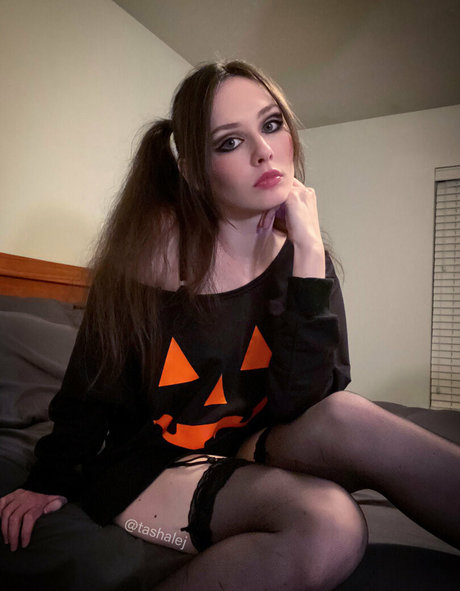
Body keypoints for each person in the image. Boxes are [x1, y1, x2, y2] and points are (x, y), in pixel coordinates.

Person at [0, 60, 459, 591]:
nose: (264, 151)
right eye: (230, 142)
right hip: (159, 459)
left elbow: (308, 405)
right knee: (331, 523)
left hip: (252, 439)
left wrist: (310, 255)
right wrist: (49, 480)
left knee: (349, 415)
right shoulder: (150, 257)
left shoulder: (304, 257)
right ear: (195, 170)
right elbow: (92, 385)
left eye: (271, 125)